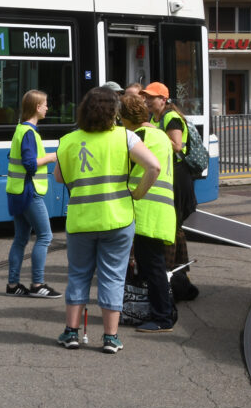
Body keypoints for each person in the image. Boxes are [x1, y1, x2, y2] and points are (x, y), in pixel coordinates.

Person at [54, 86, 160, 353]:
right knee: (112, 277)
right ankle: (111, 337)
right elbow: (154, 166)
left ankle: (71, 332)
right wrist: (137, 192)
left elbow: (58, 177)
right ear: (114, 112)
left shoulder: (68, 140)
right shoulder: (126, 138)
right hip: (118, 218)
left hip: (81, 220)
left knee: (78, 275)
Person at [119, 93, 177, 332]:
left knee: (153, 267)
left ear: (125, 118)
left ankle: (163, 317)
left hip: (145, 209)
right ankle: (161, 311)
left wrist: (135, 194)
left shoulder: (136, 136)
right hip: (162, 210)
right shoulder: (159, 134)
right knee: (154, 265)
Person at [140, 81, 199, 301]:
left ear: (163, 100)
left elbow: (177, 146)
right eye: (145, 97)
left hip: (178, 176)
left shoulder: (170, 118)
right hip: (170, 175)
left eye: (151, 97)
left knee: (172, 228)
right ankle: (178, 275)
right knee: (174, 228)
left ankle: (172, 277)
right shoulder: (157, 118)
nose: (146, 100)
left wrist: (155, 132)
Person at [5, 90, 60, 298]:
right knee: (45, 236)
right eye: (45, 104)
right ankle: (37, 284)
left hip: (17, 191)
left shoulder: (20, 130)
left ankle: (13, 284)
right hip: (29, 192)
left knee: (20, 239)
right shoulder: (29, 132)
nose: (47, 108)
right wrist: (51, 157)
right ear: (37, 107)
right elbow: (29, 164)